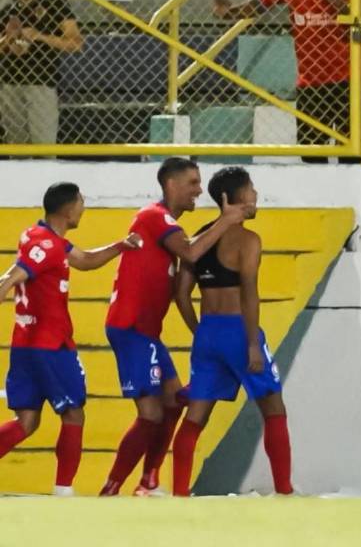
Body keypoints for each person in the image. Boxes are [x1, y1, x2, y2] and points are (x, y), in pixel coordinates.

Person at [100, 158, 249, 496]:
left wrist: (200, 331)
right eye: (193, 183)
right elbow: (192, 253)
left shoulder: (165, 224)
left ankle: (148, 482)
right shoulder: (155, 217)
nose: (199, 190)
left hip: (147, 333)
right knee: (151, 414)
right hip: (131, 327)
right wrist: (225, 221)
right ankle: (111, 489)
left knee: (173, 402)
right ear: (171, 185)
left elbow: (182, 282)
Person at [0, 182, 140, 496]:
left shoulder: (39, 237)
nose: (83, 207)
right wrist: (4, 286)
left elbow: (85, 260)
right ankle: (64, 491)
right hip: (50, 345)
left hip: (25, 344)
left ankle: (64, 489)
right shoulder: (48, 246)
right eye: (81, 202)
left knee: (26, 420)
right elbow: (16, 275)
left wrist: (120, 245)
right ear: (67, 208)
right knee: (73, 413)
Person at [172, 167, 292, 496]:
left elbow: (181, 294)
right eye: (251, 188)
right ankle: (284, 490)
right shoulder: (248, 240)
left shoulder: (199, 237)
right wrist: (252, 343)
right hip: (240, 330)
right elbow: (249, 292)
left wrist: (200, 332)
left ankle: (179, 493)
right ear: (235, 198)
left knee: (196, 415)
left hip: (208, 333)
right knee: (273, 407)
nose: (255, 194)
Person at [213, 0, 358, 164]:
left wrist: (340, 6)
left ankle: (351, 197)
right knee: (311, 155)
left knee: (352, 155)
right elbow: (261, 4)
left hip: (349, 80)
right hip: (311, 82)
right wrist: (230, 13)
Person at [0, 0, 83, 145]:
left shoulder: (54, 4)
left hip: (41, 81)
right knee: (16, 147)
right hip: (10, 82)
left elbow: (75, 43)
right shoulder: (6, 7)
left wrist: (39, 36)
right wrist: (8, 39)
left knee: (44, 144)